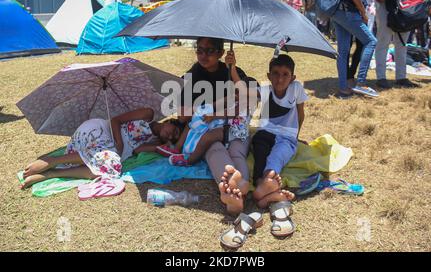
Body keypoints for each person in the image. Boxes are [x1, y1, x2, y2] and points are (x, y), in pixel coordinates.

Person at [176, 37, 254, 215]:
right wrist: (215, 106)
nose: (203, 55)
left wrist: (232, 68)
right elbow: (182, 116)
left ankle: (239, 186)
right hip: (208, 130)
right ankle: (232, 189)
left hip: (234, 128)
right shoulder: (192, 76)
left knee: (237, 152)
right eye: (199, 50)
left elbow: (245, 98)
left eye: (209, 51)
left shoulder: (232, 72)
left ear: (220, 52)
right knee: (214, 148)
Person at [21, 108, 182, 189]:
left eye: (173, 138)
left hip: (108, 149)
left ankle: (52, 174)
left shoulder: (153, 141)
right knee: (107, 160)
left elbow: (136, 151)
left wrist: (160, 147)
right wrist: (119, 143)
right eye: (173, 131)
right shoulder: (148, 114)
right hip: (100, 131)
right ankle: (52, 161)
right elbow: (115, 120)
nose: (170, 136)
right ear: (170, 121)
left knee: (111, 169)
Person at [251, 55, 305, 210]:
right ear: (269, 75)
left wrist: (296, 136)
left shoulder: (296, 89)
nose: (280, 79)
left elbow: (301, 114)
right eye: (275, 73)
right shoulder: (266, 90)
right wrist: (232, 67)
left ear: (292, 77)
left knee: (278, 155)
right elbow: (242, 92)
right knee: (260, 151)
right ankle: (263, 189)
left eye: (285, 74)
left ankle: (267, 181)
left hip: (287, 136)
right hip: (265, 132)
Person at [327, 0, 378, 99]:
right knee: (371, 41)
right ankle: (361, 83)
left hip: (337, 12)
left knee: (343, 52)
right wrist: (363, 11)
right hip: (348, 11)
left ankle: (343, 90)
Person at [371, 0, 419, 88]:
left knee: (402, 41)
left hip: (404, 4)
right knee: (383, 40)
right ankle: (381, 77)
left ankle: (401, 77)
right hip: (384, 4)